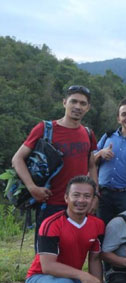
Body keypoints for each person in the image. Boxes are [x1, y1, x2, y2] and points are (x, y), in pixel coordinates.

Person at [24, 175, 106, 283]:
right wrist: (84, 276)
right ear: (66, 197)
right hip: (40, 278)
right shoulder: (50, 223)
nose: (81, 200)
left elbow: (95, 259)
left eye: (87, 196)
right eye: (76, 195)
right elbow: (48, 266)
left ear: (93, 199)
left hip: (70, 279)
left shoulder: (98, 225)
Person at [12, 85, 98, 242]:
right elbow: (17, 159)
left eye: (82, 103)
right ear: (64, 102)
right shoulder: (45, 129)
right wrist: (32, 188)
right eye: (74, 102)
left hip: (77, 204)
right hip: (50, 203)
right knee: (46, 252)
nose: (77, 107)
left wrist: (95, 196)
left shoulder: (88, 133)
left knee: (71, 248)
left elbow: (92, 166)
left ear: (88, 108)